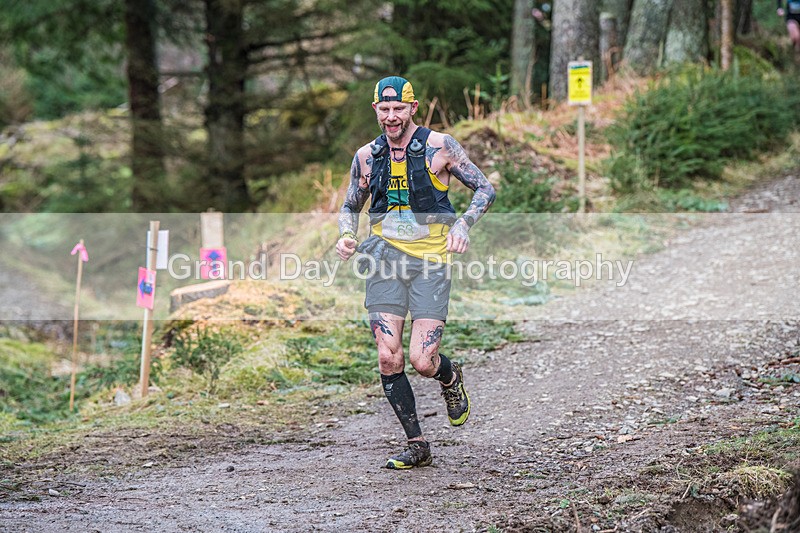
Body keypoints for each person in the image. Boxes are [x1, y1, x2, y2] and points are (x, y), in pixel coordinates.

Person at [336, 76, 496, 469]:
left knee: (422, 361)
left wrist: (463, 224)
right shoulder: (366, 156)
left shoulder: (440, 146)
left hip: (431, 263)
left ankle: (449, 376)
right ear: (376, 110)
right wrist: (345, 235)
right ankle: (417, 444)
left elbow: (485, 189)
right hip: (383, 261)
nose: (391, 117)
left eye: (399, 109)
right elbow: (349, 206)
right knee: (388, 358)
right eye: (384, 109)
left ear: (413, 108)